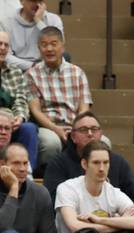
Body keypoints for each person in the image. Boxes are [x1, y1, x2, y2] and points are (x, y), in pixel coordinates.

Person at [43, 111, 134, 215]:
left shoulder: (118, 162)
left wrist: (116, 219)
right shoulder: (58, 164)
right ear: (73, 137)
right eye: (83, 129)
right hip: (77, 224)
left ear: (101, 134)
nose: (90, 134)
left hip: (117, 223)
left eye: (94, 129)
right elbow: (52, 202)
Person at [26, 27, 92, 170]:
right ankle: (49, 180)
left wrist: (77, 129)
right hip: (48, 126)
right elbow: (35, 110)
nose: (49, 48)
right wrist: (56, 129)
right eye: (44, 45)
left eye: (54, 44)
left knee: (103, 142)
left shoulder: (77, 72)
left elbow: (84, 107)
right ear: (39, 48)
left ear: (62, 46)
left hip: (75, 124)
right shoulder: (31, 74)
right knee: (51, 143)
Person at [0, 32, 38, 168]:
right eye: (0, 44)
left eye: (6, 45)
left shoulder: (16, 72)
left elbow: (20, 100)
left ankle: (26, 175)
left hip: (11, 121)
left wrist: (19, 117)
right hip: (3, 119)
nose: (3, 48)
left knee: (29, 129)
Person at [1, 0, 63, 71]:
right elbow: (5, 55)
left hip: (46, 65)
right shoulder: (6, 22)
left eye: (40, 1)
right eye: (33, 1)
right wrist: (33, 66)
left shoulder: (54, 20)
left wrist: (39, 22)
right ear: (21, 1)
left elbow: (59, 47)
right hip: (16, 68)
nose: (37, 4)